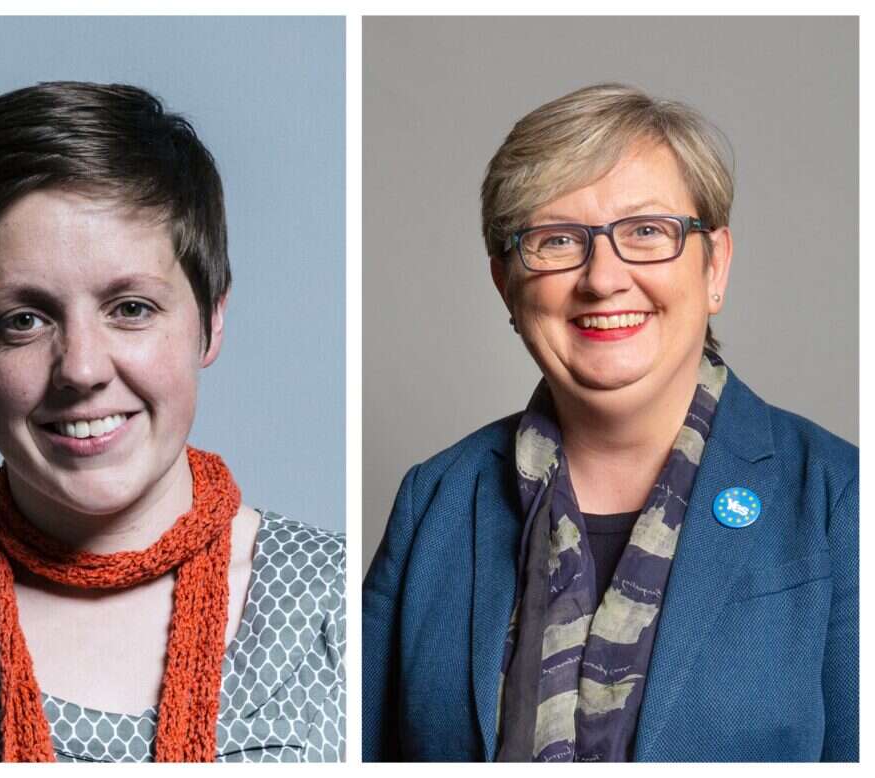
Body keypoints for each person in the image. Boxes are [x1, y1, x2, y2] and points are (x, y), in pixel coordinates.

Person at [363, 83, 857, 762]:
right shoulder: (436, 502)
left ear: (715, 266)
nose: (603, 278)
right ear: (506, 285)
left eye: (647, 232)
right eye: (557, 239)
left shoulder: (840, 501)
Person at [0, 82, 345, 763]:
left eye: (132, 308)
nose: (81, 368)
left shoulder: (334, 603)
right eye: (23, 320)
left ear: (212, 320)